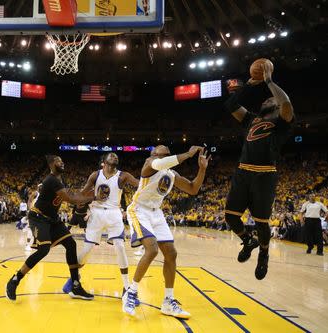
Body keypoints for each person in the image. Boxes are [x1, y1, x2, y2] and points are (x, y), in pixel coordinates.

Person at [223, 62, 294, 279]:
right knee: (230, 217)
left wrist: (269, 82)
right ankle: (248, 241)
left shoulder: (282, 122)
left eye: (270, 99)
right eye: (266, 97)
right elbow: (231, 104)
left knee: (262, 222)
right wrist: (249, 86)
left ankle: (264, 254)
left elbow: (286, 103)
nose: (267, 99)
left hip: (265, 174)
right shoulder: (251, 119)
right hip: (243, 171)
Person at [122, 145, 210, 318]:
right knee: (152, 249)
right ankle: (131, 292)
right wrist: (188, 154)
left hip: (156, 213)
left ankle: (168, 301)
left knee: (171, 254)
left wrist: (202, 170)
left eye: (167, 155)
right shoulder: (149, 164)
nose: (165, 157)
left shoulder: (172, 174)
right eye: (162, 155)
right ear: (154, 155)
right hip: (139, 210)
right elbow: (160, 163)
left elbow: (193, 189)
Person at [5, 155, 94, 301]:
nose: (62, 162)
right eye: (59, 161)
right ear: (52, 165)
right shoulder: (51, 180)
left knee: (71, 244)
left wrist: (80, 198)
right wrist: (93, 197)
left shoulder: (59, 180)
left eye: (62, 160)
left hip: (52, 219)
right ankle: (15, 280)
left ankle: (75, 286)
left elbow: (69, 197)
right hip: (38, 218)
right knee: (44, 249)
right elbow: (70, 198)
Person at [62, 153, 139, 298]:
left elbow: (140, 184)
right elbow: (83, 192)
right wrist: (74, 199)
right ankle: (73, 281)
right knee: (86, 251)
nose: (115, 157)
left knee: (120, 247)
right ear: (104, 161)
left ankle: (127, 287)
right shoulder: (95, 175)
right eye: (111, 156)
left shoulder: (124, 176)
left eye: (116, 156)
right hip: (96, 212)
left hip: (114, 212)